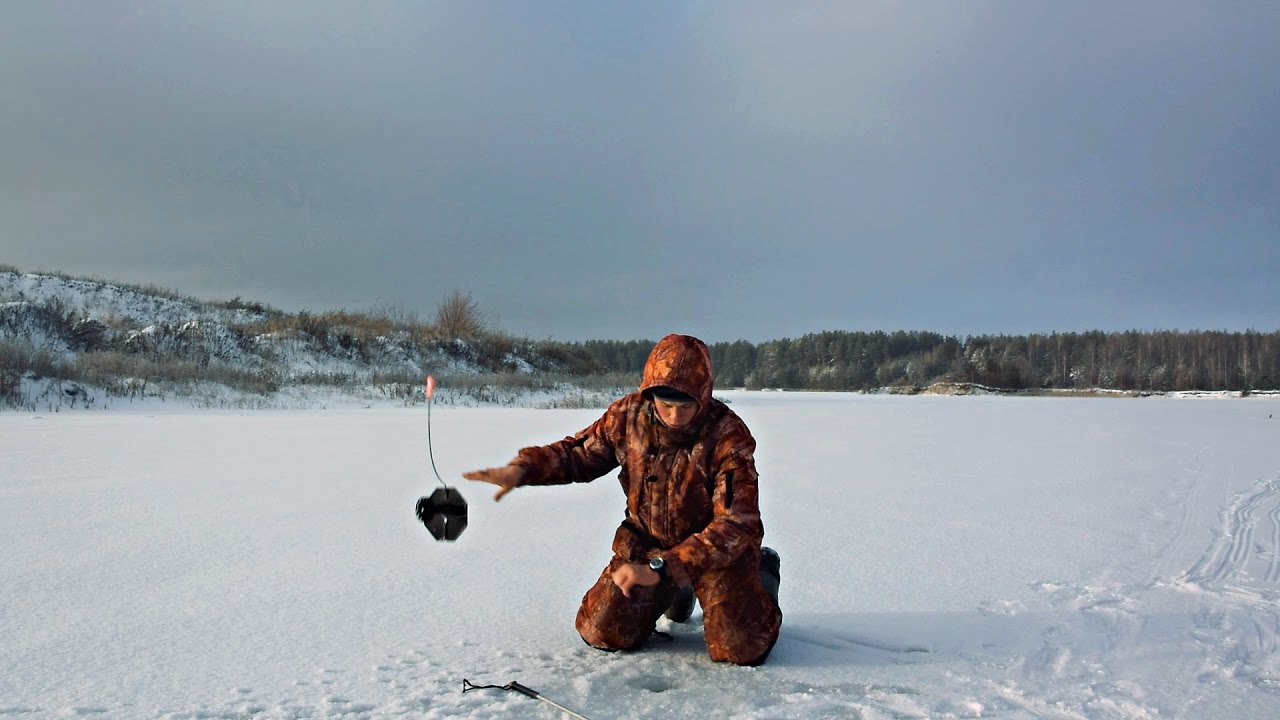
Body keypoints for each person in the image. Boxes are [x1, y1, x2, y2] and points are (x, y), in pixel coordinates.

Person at [464, 333, 782, 666]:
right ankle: (678, 591)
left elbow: (737, 523)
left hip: (714, 556)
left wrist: (667, 568)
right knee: (601, 631)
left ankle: (763, 574)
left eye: (685, 406)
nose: (674, 416)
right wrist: (523, 469)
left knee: (740, 648)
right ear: (650, 394)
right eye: (666, 405)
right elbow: (579, 454)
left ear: (703, 397)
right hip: (648, 546)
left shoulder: (728, 435)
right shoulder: (628, 416)